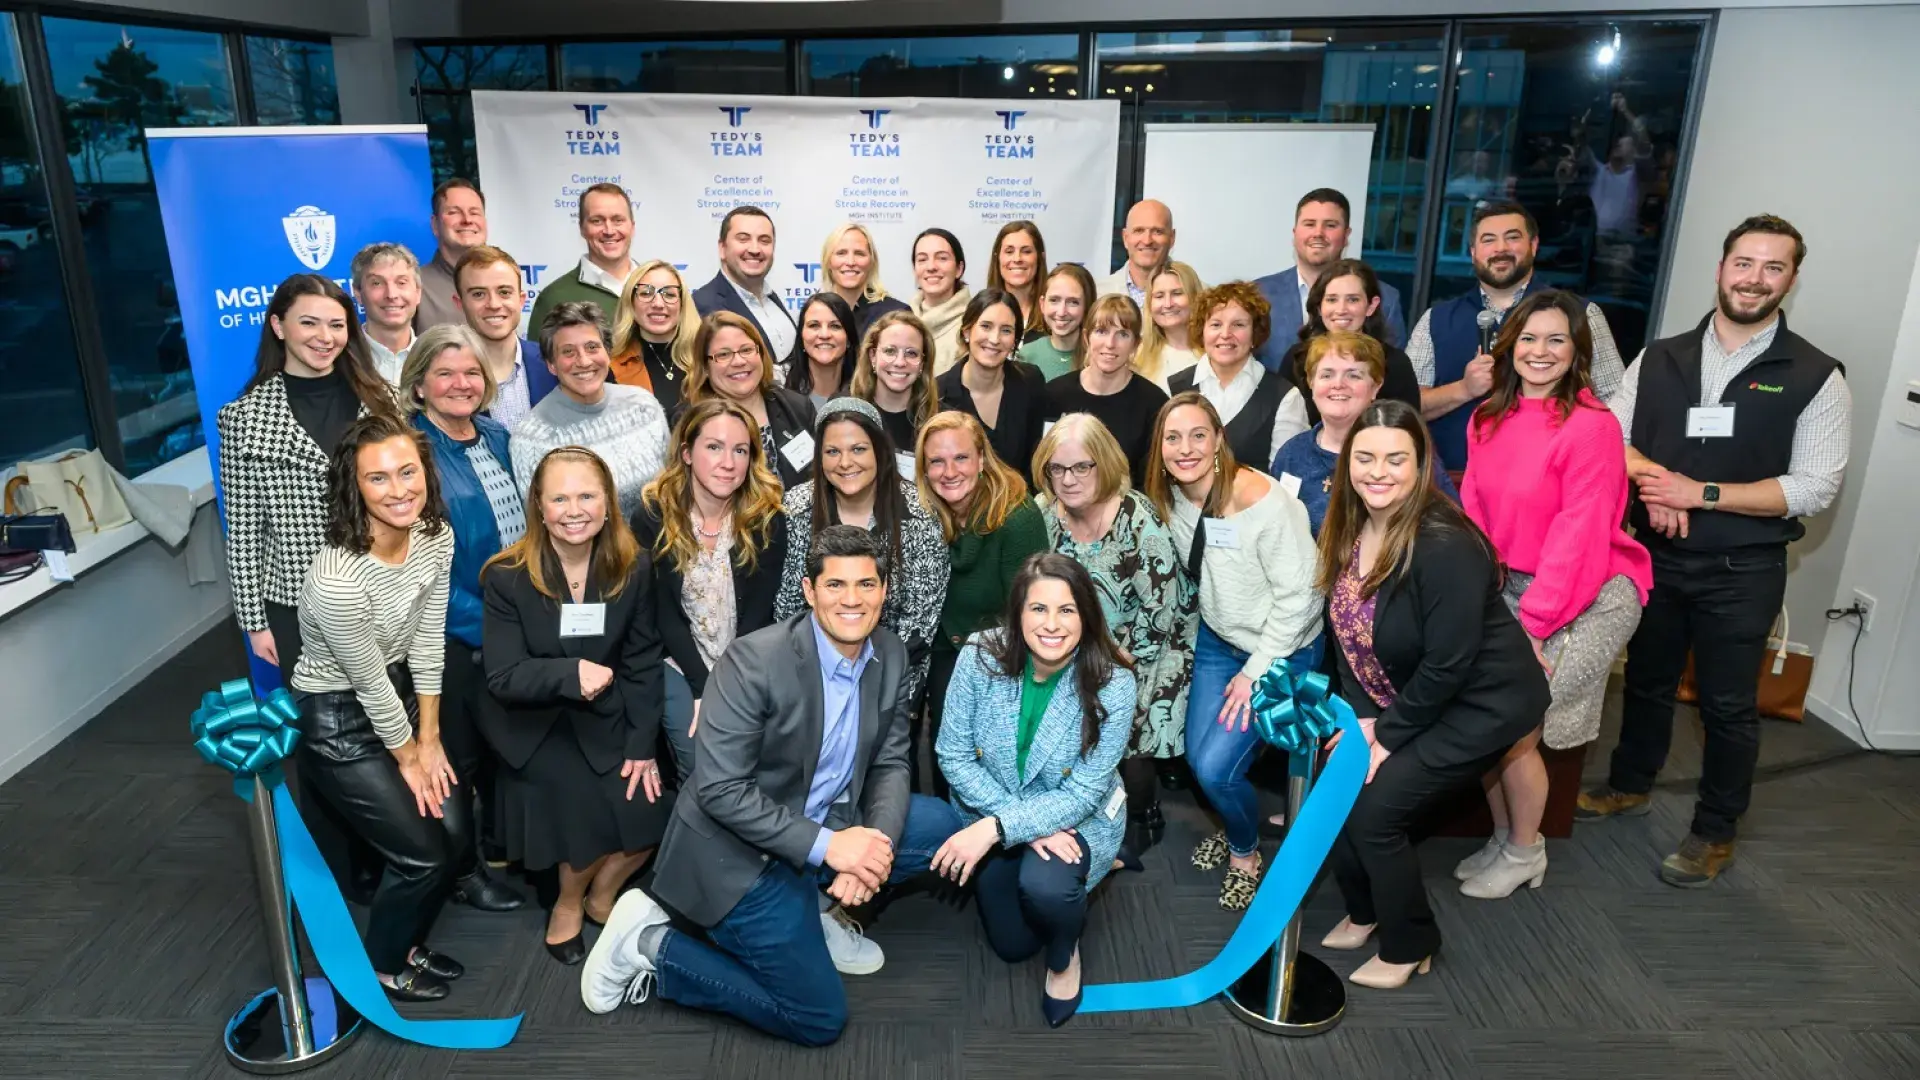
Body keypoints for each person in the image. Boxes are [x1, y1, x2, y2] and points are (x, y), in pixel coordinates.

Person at [579, 526, 966, 1046]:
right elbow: (720, 791)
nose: (852, 600)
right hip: (740, 851)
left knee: (943, 828)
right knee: (817, 1020)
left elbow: (893, 761)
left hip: (827, 819)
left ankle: (822, 903)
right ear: (809, 591)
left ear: (884, 590)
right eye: (835, 586)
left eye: (867, 585)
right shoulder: (753, 661)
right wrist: (835, 848)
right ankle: (650, 944)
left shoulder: (891, 654)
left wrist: (872, 852)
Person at [1579, 214, 1853, 887]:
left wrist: (1697, 493)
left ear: (1791, 279)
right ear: (1721, 267)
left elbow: (1813, 487)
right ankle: (1629, 782)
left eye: (1773, 267)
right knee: (1643, 678)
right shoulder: (1661, 355)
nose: (1754, 279)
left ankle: (1714, 830)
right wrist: (1659, 487)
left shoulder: (1817, 376)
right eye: (1744, 263)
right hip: (1656, 555)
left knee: (1727, 705)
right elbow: (1608, 437)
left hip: (1742, 567)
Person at [1315, 400, 1547, 989]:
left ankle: (1411, 943)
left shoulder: (1444, 544)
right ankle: (1366, 910)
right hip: (1409, 694)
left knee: (1374, 814)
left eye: (1396, 459)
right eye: (1364, 458)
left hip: (1481, 702)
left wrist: (1387, 737)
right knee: (1337, 783)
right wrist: (1359, 724)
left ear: (1421, 467)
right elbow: (1346, 636)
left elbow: (1450, 664)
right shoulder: (1349, 526)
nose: (1378, 471)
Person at [1456, 291, 1652, 899]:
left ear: (1577, 353)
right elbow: (1476, 515)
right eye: (1529, 339)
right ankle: (1504, 835)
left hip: (1590, 594)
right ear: (1508, 345)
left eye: (1556, 341)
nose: (1540, 352)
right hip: (1513, 585)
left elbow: (1579, 535)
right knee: (1490, 719)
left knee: (1513, 721)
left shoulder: (1594, 427)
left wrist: (1534, 627)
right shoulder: (1487, 416)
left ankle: (1525, 850)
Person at [289, 413, 465, 1002]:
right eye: (378, 479)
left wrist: (432, 737)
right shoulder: (336, 579)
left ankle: (407, 940)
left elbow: (427, 637)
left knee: (456, 831)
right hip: (338, 718)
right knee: (422, 856)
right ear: (353, 488)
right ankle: (386, 964)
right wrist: (409, 755)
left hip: (401, 701)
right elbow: (365, 683)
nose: (399, 490)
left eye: (407, 472)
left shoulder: (435, 536)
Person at [480, 446, 669, 964]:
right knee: (585, 818)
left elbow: (642, 661)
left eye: (586, 495)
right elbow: (502, 675)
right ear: (538, 507)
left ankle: (602, 895)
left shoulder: (633, 568)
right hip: (538, 726)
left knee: (652, 815)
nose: (574, 509)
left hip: (607, 718)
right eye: (558, 498)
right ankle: (566, 905)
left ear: (608, 503)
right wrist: (569, 674)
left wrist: (641, 745)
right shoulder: (507, 576)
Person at [934, 553, 1139, 1027]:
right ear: (1018, 613)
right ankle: (1096, 872)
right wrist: (1019, 826)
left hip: (1078, 820)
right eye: (1038, 609)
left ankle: (1066, 956)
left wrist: (999, 827)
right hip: (996, 807)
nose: (1052, 624)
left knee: (1045, 890)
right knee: (1012, 946)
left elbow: (1085, 793)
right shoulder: (980, 655)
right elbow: (953, 756)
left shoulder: (1114, 683)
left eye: (1067, 610)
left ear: (1086, 615)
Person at [1147, 392, 1321, 910]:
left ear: (1219, 439)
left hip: (1281, 651)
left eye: (1198, 435)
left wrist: (1255, 672)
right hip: (1217, 641)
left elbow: (1304, 598)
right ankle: (1235, 825)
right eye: (1172, 438)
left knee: (1217, 769)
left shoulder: (1263, 503)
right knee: (1198, 758)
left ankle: (1245, 850)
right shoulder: (1173, 496)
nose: (1185, 449)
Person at [402, 323, 528, 913]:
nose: (461, 384)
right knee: (456, 758)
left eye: (472, 372)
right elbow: (418, 572)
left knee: (504, 747)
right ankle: (460, 870)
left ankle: (502, 850)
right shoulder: (412, 454)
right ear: (419, 383)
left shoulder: (500, 435)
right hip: (448, 635)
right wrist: (495, 627)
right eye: (445, 373)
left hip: (509, 624)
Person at [219, 274, 399, 680]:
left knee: (393, 714)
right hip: (297, 601)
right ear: (279, 327)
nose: (325, 337)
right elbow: (244, 530)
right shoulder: (244, 419)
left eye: (336, 325)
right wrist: (254, 622)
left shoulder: (381, 400)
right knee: (322, 726)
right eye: (309, 323)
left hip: (383, 587)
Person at [1034, 414, 1193, 855]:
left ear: (1103, 464)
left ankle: (1141, 813)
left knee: (1126, 730)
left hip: (1145, 648)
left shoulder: (1136, 518)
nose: (1068, 479)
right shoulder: (1045, 513)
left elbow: (1161, 613)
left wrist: (1113, 664)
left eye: (1081, 466)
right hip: (1069, 644)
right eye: (1057, 469)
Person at [632, 398, 790, 785]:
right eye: (714, 447)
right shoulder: (653, 514)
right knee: (702, 760)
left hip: (746, 658)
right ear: (687, 452)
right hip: (677, 659)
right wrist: (703, 687)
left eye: (740, 450)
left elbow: (757, 616)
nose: (728, 462)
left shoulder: (765, 518)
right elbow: (663, 615)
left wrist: (730, 683)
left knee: (758, 754)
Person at [1408, 200, 1626, 473]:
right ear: (1474, 252)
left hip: (1545, 487)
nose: (1500, 249)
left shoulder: (1581, 315)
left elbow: (1616, 403)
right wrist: (1463, 389)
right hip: (1447, 487)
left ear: (1533, 246)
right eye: (1489, 240)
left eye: (1512, 237)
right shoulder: (1435, 320)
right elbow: (1405, 406)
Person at [776, 398, 949, 707]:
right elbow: (787, 608)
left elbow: (919, 625)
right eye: (832, 451)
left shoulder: (919, 514)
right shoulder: (797, 508)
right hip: (811, 680)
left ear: (880, 452)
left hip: (892, 680)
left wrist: (864, 681)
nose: (845, 462)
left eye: (858, 449)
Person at [916, 411, 1050, 797]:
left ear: (981, 460)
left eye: (960, 458)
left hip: (1007, 653)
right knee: (947, 748)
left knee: (996, 758)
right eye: (936, 461)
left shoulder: (1016, 517)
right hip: (945, 648)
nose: (949, 471)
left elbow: (1033, 612)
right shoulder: (925, 516)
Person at [1270, 332, 1458, 536]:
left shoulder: (1407, 452)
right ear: (1311, 383)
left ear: (1376, 386)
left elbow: (1452, 528)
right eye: (1327, 375)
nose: (1338, 384)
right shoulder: (1291, 454)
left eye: (1353, 375)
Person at [509, 301, 669, 520]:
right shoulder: (532, 438)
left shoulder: (644, 406)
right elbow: (540, 525)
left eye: (592, 347)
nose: (583, 361)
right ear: (551, 365)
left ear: (608, 352)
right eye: (568, 352)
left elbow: (673, 488)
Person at [1252, 188, 1407, 372]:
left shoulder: (1386, 299)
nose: (1318, 233)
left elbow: (1393, 373)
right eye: (1309, 224)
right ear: (1295, 233)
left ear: (1346, 235)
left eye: (1330, 225)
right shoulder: (1259, 293)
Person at [1269, 259, 1424, 427]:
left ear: (1371, 306)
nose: (1341, 309)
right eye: (1332, 299)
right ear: (1320, 307)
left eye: (1353, 300)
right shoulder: (1296, 359)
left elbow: (1408, 432)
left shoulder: (1396, 364)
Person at [1169, 282, 1301, 471]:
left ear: (1255, 333)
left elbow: (1285, 477)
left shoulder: (1285, 397)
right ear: (1202, 330)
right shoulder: (1174, 387)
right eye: (1216, 324)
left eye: (1238, 325)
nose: (1225, 334)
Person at [1044, 294, 1169, 489]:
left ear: (1135, 344)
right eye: (1101, 331)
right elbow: (1044, 467)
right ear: (1086, 338)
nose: (1110, 343)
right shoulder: (1054, 394)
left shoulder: (1154, 403)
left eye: (1123, 334)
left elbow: (1153, 482)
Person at [684, 311, 818, 489]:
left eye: (746, 350)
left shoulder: (797, 408)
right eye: (723, 355)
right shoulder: (689, 422)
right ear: (705, 367)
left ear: (761, 354)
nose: (739, 361)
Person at [936, 290, 1049, 484]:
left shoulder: (1031, 382)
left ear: (1015, 340)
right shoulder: (938, 394)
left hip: (1021, 506)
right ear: (967, 331)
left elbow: (1040, 458)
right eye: (986, 327)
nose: (995, 339)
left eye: (1006, 330)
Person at [455, 244, 556, 431]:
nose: (493, 304)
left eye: (504, 292)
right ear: (459, 303)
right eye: (478, 294)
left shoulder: (554, 362)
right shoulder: (447, 378)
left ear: (521, 299)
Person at [529, 182, 637, 335]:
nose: (609, 230)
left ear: (632, 227)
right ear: (582, 228)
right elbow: (538, 358)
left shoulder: (657, 289)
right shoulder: (554, 297)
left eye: (618, 220)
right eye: (597, 221)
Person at [691, 206, 796, 361]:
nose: (755, 249)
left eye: (764, 240)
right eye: (743, 239)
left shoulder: (772, 299)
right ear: (722, 248)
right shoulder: (702, 306)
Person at [851, 309, 941, 471]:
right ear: (873, 356)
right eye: (890, 351)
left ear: (922, 363)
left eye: (911, 353)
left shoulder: (939, 422)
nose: (900, 362)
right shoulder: (846, 412)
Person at [608, 259, 697, 417]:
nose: (658, 304)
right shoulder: (611, 367)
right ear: (631, 302)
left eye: (669, 294)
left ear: (682, 304)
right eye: (646, 293)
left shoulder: (706, 358)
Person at [415, 178, 486, 331]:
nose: (467, 220)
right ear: (435, 225)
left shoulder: (505, 279)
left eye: (475, 213)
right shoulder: (414, 286)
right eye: (454, 212)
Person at [821, 222, 909, 339]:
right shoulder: (817, 312)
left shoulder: (895, 314)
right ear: (828, 262)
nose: (850, 262)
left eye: (859, 254)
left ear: (872, 262)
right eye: (841, 253)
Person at [351, 242, 422, 387]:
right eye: (377, 283)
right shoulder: (342, 360)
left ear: (418, 292)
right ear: (358, 294)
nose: (391, 294)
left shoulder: (436, 358)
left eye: (401, 283)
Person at [908, 227, 972, 375]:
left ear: (959, 269)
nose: (931, 267)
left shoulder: (975, 322)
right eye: (922, 259)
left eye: (942, 258)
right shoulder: (901, 320)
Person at [1018, 264, 1095, 381]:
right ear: (1042, 304)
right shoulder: (1027, 354)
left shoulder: (1099, 356)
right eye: (1054, 300)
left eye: (1073, 302)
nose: (1062, 312)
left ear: (1087, 307)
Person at [1134, 261, 1203, 391]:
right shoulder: (1135, 356)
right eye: (1159, 296)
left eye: (1177, 293)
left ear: (1195, 297)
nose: (1167, 304)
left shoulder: (1216, 353)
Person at [781, 291, 859, 407]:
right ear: (801, 336)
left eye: (835, 326)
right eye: (814, 325)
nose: (824, 335)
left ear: (848, 339)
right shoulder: (777, 384)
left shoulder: (866, 388)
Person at [1097, 199, 1175, 305]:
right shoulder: (1097, 295)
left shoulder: (1198, 297)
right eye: (1139, 231)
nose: (1147, 241)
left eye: (1157, 231)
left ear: (1172, 238)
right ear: (1125, 238)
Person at [986, 220, 1049, 343]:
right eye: (1009, 251)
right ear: (997, 257)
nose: (1017, 259)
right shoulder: (980, 312)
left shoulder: (1054, 314)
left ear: (1040, 258)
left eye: (1026, 251)